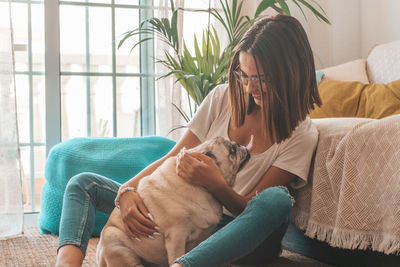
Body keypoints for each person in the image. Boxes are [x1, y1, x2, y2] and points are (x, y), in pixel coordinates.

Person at [55, 14, 321, 267]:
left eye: (260, 79)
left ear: (290, 74)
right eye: (244, 76)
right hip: (187, 213)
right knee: (83, 184)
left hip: (237, 232)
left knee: (277, 200)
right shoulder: (222, 98)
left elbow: (251, 208)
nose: (249, 88)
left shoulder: (302, 134)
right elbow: (174, 156)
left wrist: (216, 184)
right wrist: (126, 192)